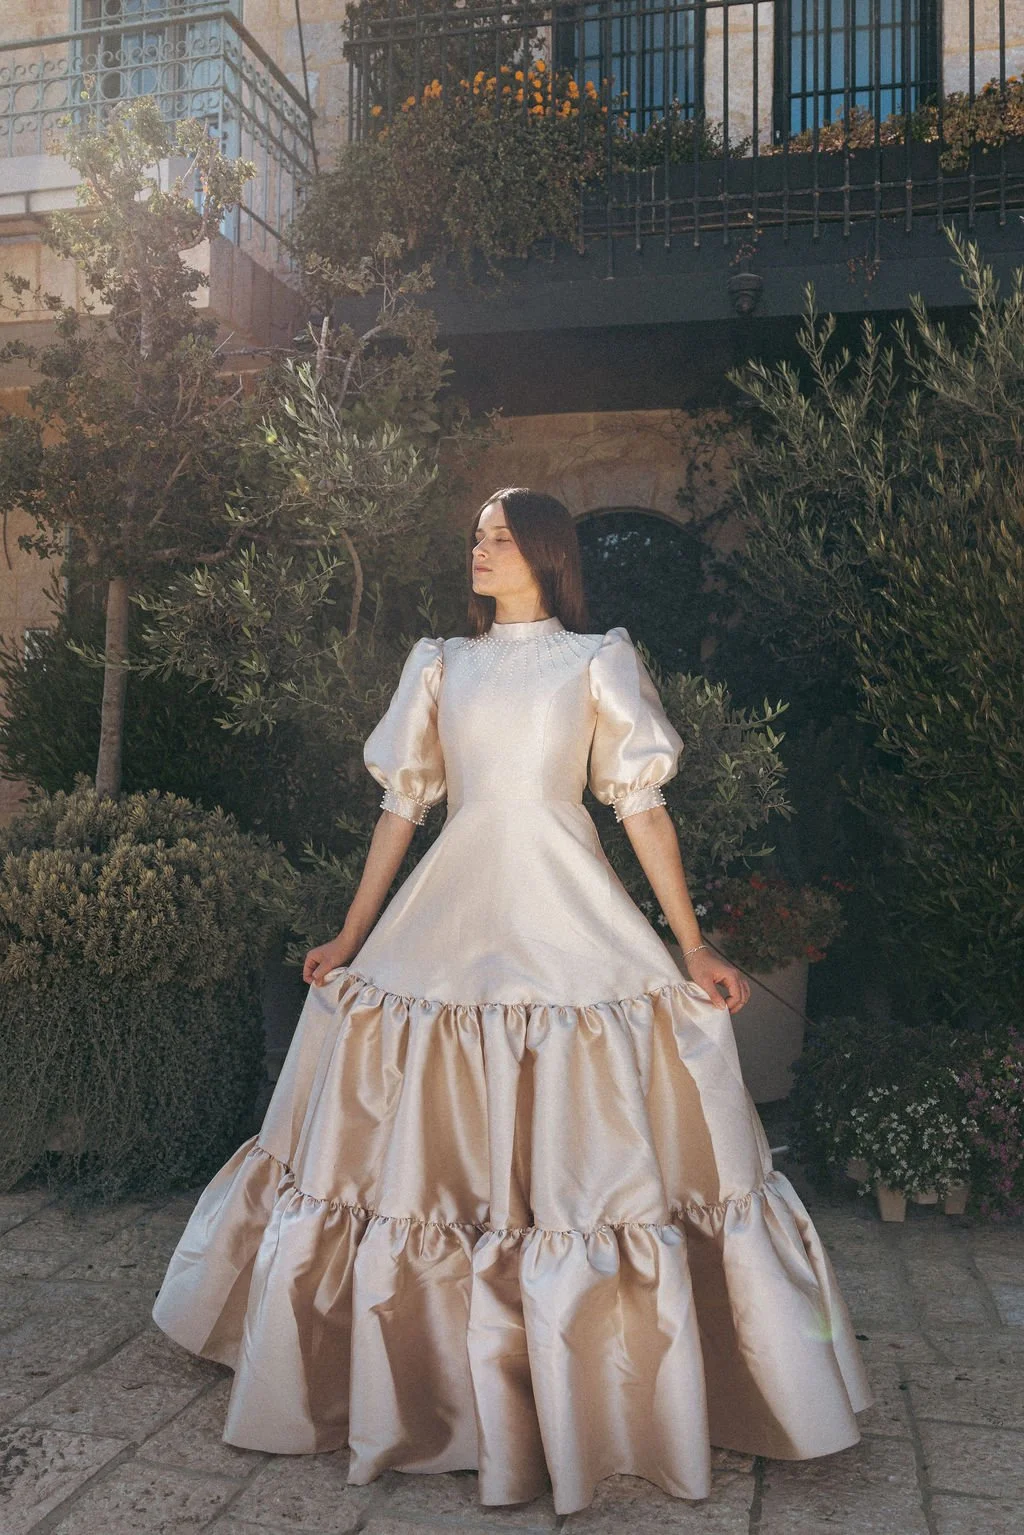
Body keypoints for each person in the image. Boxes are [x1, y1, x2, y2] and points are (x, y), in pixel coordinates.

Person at [152, 487, 871, 1516]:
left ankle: (602, 1374)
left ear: (542, 551)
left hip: (565, 905)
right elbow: (403, 806)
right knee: (409, 1133)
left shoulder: (596, 658)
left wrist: (693, 941)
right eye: (475, 536)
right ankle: (432, 1381)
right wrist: (352, 935)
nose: (478, 550)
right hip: (450, 909)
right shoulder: (439, 660)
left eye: (496, 537)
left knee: (593, 1126)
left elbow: (641, 807)